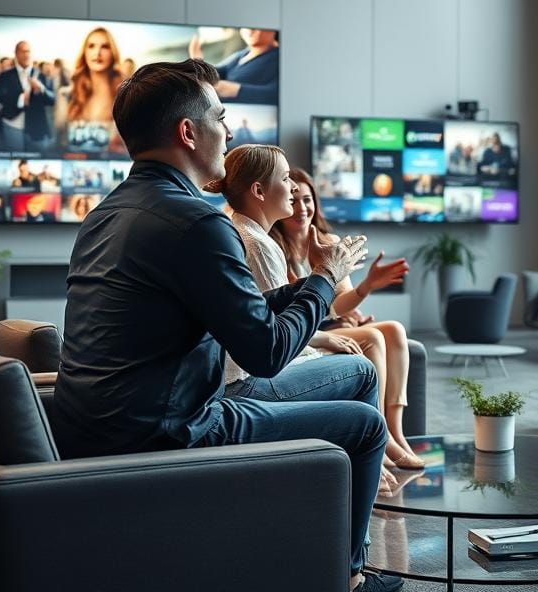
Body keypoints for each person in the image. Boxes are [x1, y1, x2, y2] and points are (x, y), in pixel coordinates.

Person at [50, 59, 402, 592]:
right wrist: (324, 280)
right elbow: (266, 352)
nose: (230, 131)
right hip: (170, 433)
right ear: (187, 132)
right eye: (219, 117)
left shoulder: (105, 214)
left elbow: (236, 308)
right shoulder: (197, 222)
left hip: (105, 427)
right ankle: (346, 579)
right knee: (365, 425)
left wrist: (312, 287)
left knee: (355, 381)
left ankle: (301, 547)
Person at [206, 146, 414, 493]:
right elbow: (278, 335)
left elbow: (271, 310)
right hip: (246, 382)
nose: (293, 188)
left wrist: (326, 279)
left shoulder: (244, 232)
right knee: (362, 370)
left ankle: (376, 450)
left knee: (373, 347)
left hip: (238, 375)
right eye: (286, 179)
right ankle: (369, 463)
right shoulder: (258, 244)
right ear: (259, 191)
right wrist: (326, 287)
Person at [270, 167, 424, 473]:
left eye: (308, 200)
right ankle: (381, 435)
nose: (302, 208)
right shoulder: (276, 247)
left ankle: (395, 432)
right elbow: (306, 308)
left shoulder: (329, 240)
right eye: (295, 200)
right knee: (374, 337)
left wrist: (366, 287)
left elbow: (341, 303)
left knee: (394, 329)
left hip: (336, 322)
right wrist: (347, 310)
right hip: (311, 330)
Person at [56, 27, 125, 153]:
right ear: (85, 52)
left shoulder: (125, 98)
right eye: (91, 46)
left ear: (113, 53)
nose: (97, 52)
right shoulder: (65, 95)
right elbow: (58, 143)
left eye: (105, 47)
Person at [189, 28, 279, 104]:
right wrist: (199, 64)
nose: (250, 31)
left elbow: (277, 95)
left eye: (256, 28)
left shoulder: (278, 57)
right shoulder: (243, 53)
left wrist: (236, 90)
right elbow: (221, 71)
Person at [0, 41, 55, 149]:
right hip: (12, 125)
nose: (26, 55)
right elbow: (0, 97)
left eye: (28, 51)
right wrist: (21, 98)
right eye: (23, 51)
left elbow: (52, 100)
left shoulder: (41, 75)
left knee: (37, 156)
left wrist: (42, 89)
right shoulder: (5, 76)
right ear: (16, 53)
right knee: (14, 156)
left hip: (35, 128)